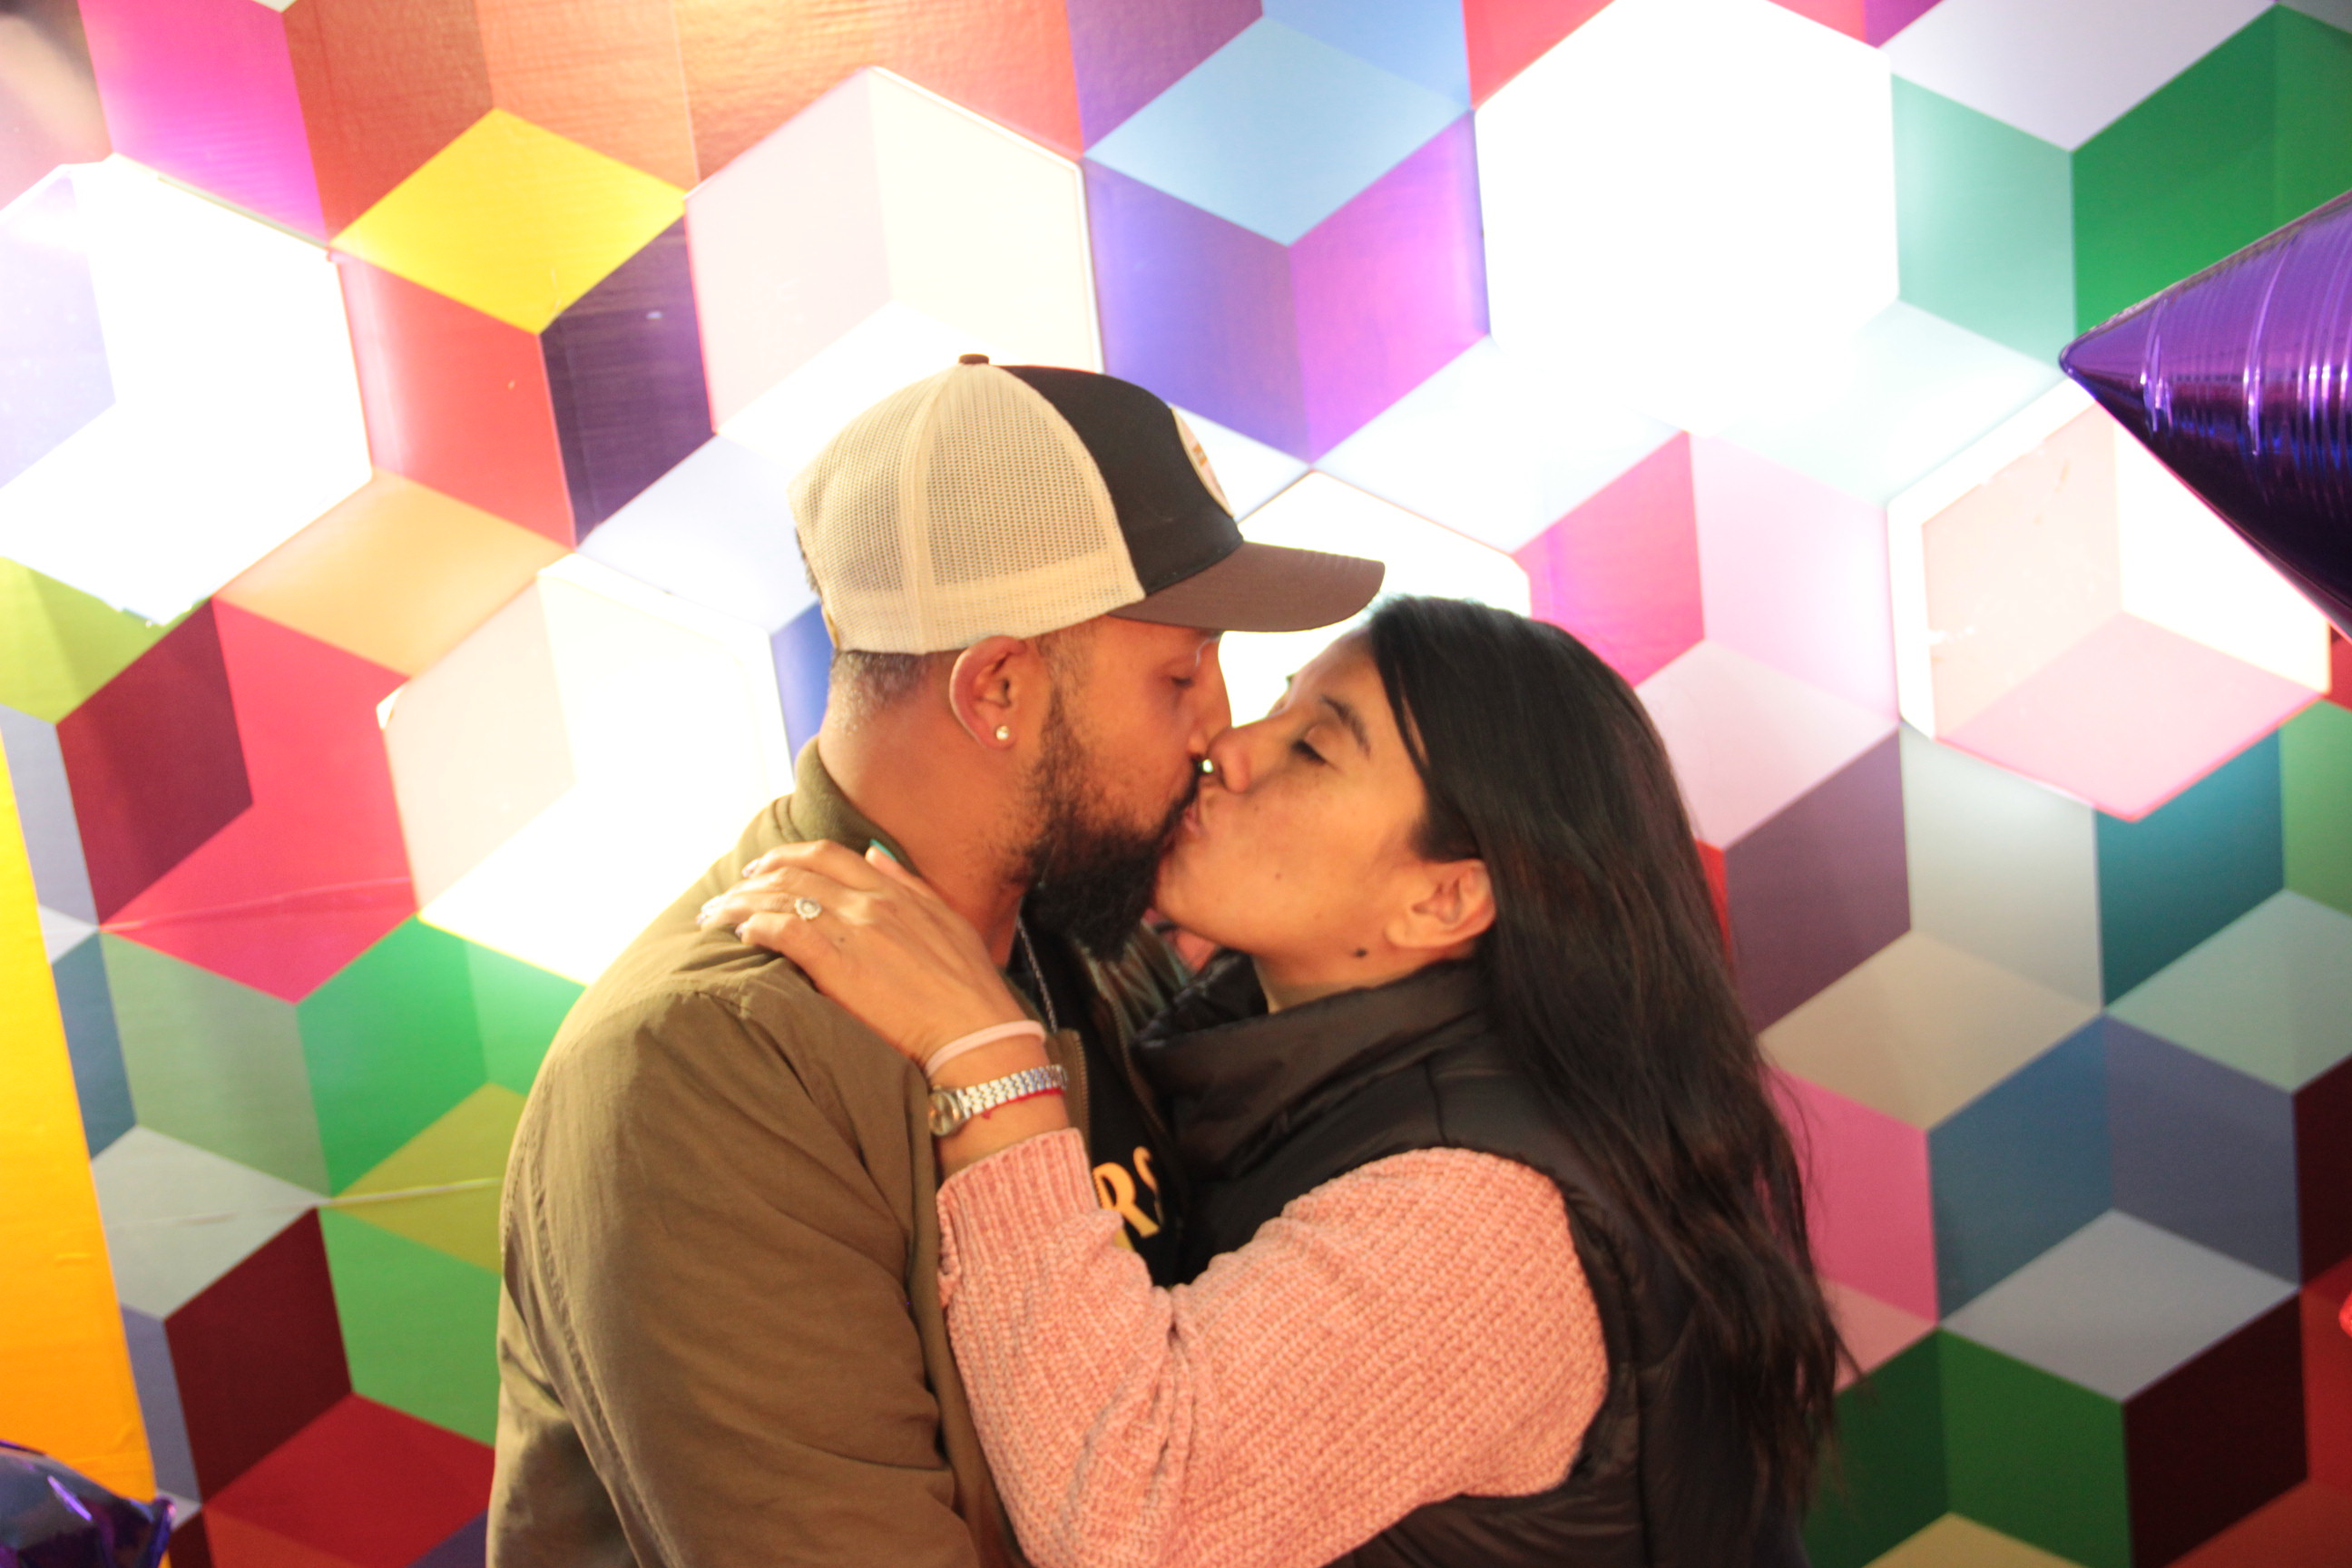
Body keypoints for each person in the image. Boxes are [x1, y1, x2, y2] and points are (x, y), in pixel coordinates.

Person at [705, 594, 1847, 1567]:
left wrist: (987, 1060)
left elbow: (1129, 1510)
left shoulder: (1483, 1221)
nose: (1232, 746)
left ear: (1445, 898)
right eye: (1280, 702)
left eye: (1314, 750)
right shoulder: (1279, 1042)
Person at [488, 357, 1383, 1566]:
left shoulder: (1068, 938)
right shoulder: (696, 1074)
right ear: (998, 687)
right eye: (1179, 673)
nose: (1217, 725)